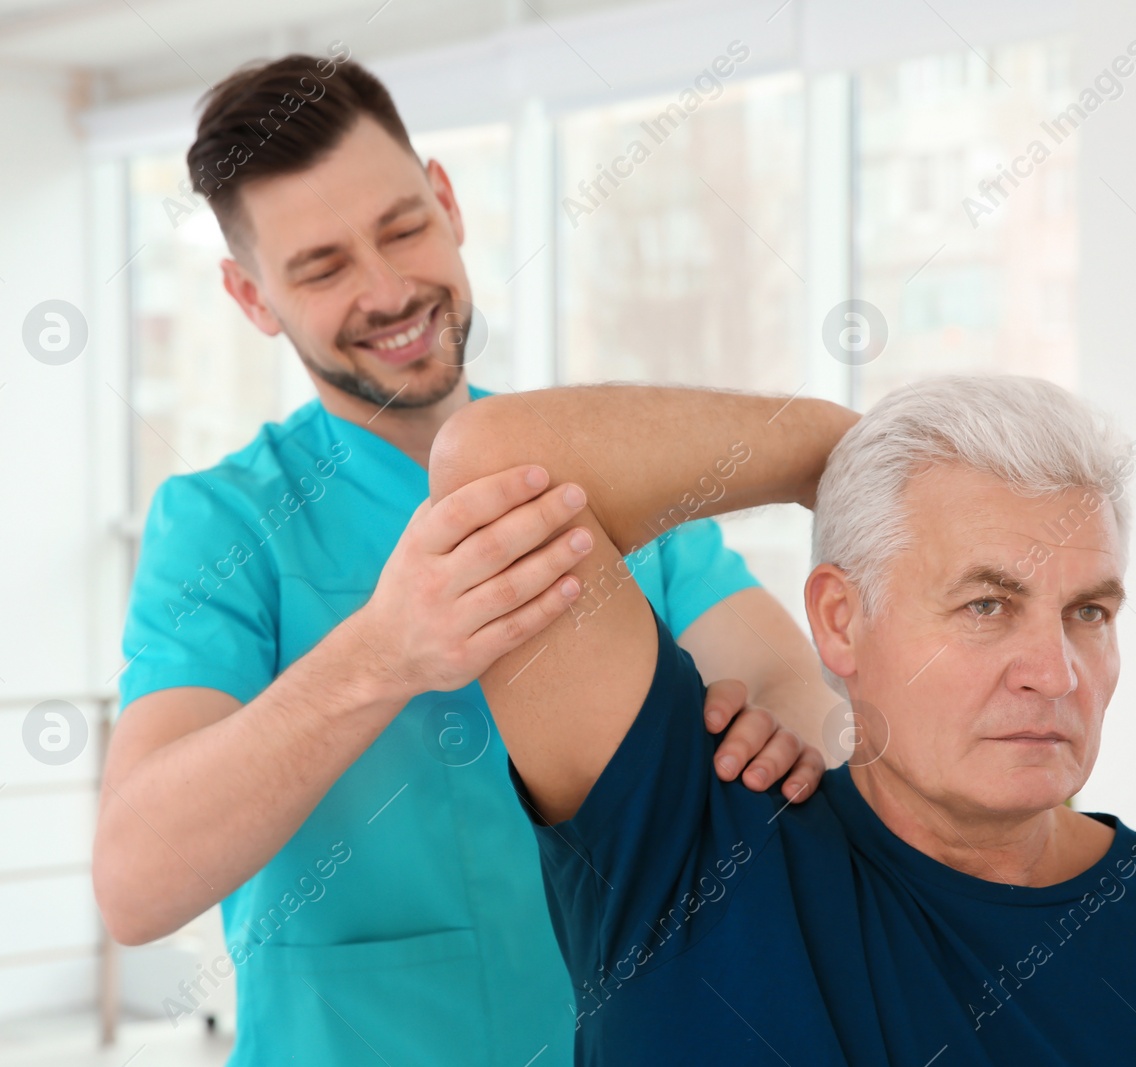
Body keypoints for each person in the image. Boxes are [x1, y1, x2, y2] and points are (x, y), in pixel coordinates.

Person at [91, 53, 835, 1067]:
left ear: (445, 200)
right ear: (251, 296)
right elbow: (136, 882)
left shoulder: (595, 467)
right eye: (322, 266)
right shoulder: (224, 524)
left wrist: (789, 728)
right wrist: (384, 654)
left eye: (402, 227)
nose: (390, 289)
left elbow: (787, 673)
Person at [427, 378, 1136, 1066]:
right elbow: (492, 463)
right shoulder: (685, 851)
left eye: (1088, 612)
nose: (1053, 671)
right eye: (987, 603)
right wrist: (843, 444)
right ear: (841, 620)